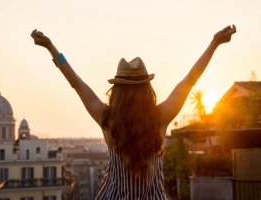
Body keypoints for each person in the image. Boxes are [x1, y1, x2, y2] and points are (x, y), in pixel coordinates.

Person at [31, 25, 236, 199]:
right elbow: (190, 80)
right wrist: (214, 44)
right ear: (147, 90)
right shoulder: (161, 118)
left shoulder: (108, 120)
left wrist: (50, 47)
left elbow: (75, 82)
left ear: (117, 91)